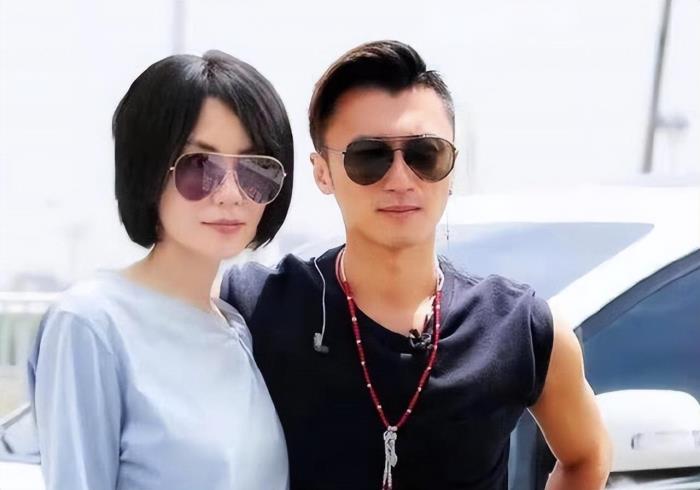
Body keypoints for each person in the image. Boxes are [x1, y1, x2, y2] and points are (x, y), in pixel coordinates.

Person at [220, 40, 612, 489]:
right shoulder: (255, 307)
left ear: (452, 166)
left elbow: (587, 456)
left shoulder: (518, 328)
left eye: (426, 154)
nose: (401, 179)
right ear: (322, 171)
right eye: (369, 157)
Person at [27, 50, 293, 490]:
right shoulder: (91, 323)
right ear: (149, 171)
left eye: (255, 169)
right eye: (200, 165)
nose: (231, 194)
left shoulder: (235, 328)